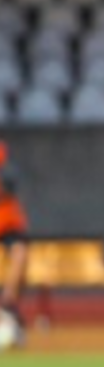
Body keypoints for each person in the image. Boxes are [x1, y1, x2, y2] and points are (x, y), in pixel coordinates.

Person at [0, 142, 31, 348]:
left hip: (7, 222)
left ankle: (7, 306)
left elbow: (10, 181)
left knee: (20, 254)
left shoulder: (3, 153)